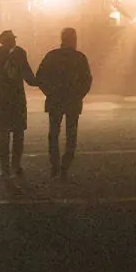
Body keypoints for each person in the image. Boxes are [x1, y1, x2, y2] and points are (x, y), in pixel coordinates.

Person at [35, 27, 92, 178]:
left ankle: (55, 165)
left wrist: (49, 92)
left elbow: (40, 77)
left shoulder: (52, 56)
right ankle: (65, 166)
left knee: (54, 133)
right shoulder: (79, 57)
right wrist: (79, 95)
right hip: (73, 100)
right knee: (71, 134)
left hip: (55, 100)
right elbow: (87, 80)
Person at [0, 30, 36, 178]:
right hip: (15, 99)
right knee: (16, 133)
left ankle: (7, 167)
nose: (13, 42)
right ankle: (14, 165)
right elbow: (28, 75)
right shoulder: (18, 54)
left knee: (7, 134)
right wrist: (41, 82)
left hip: (4, 100)